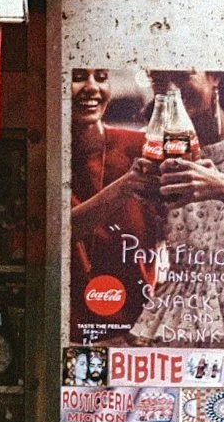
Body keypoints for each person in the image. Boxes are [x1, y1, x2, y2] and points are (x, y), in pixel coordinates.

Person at [126, 69, 224, 349]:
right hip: (175, 315)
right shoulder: (154, 150)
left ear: (215, 77)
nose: (171, 89)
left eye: (181, 77)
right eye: (159, 81)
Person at [68, 67, 159, 337]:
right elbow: (56, 232)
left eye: (102, 77)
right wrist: (125, 186)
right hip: (68, 328)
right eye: (78, 77)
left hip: (137, 330)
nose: (93, 87)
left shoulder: (141, 147)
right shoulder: (45, 157)